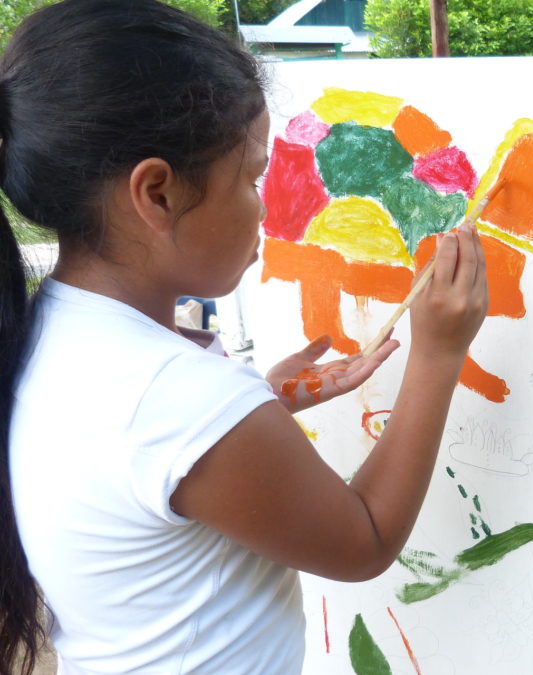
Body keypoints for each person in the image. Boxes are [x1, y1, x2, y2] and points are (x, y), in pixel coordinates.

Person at [0, 1, 488, 672]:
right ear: (158, 193)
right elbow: (367, 537)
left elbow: (143, 467)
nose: (269, 206)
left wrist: (254, 405)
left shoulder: (53, 327)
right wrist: (438, 353)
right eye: (254, 176)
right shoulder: (179, 400)